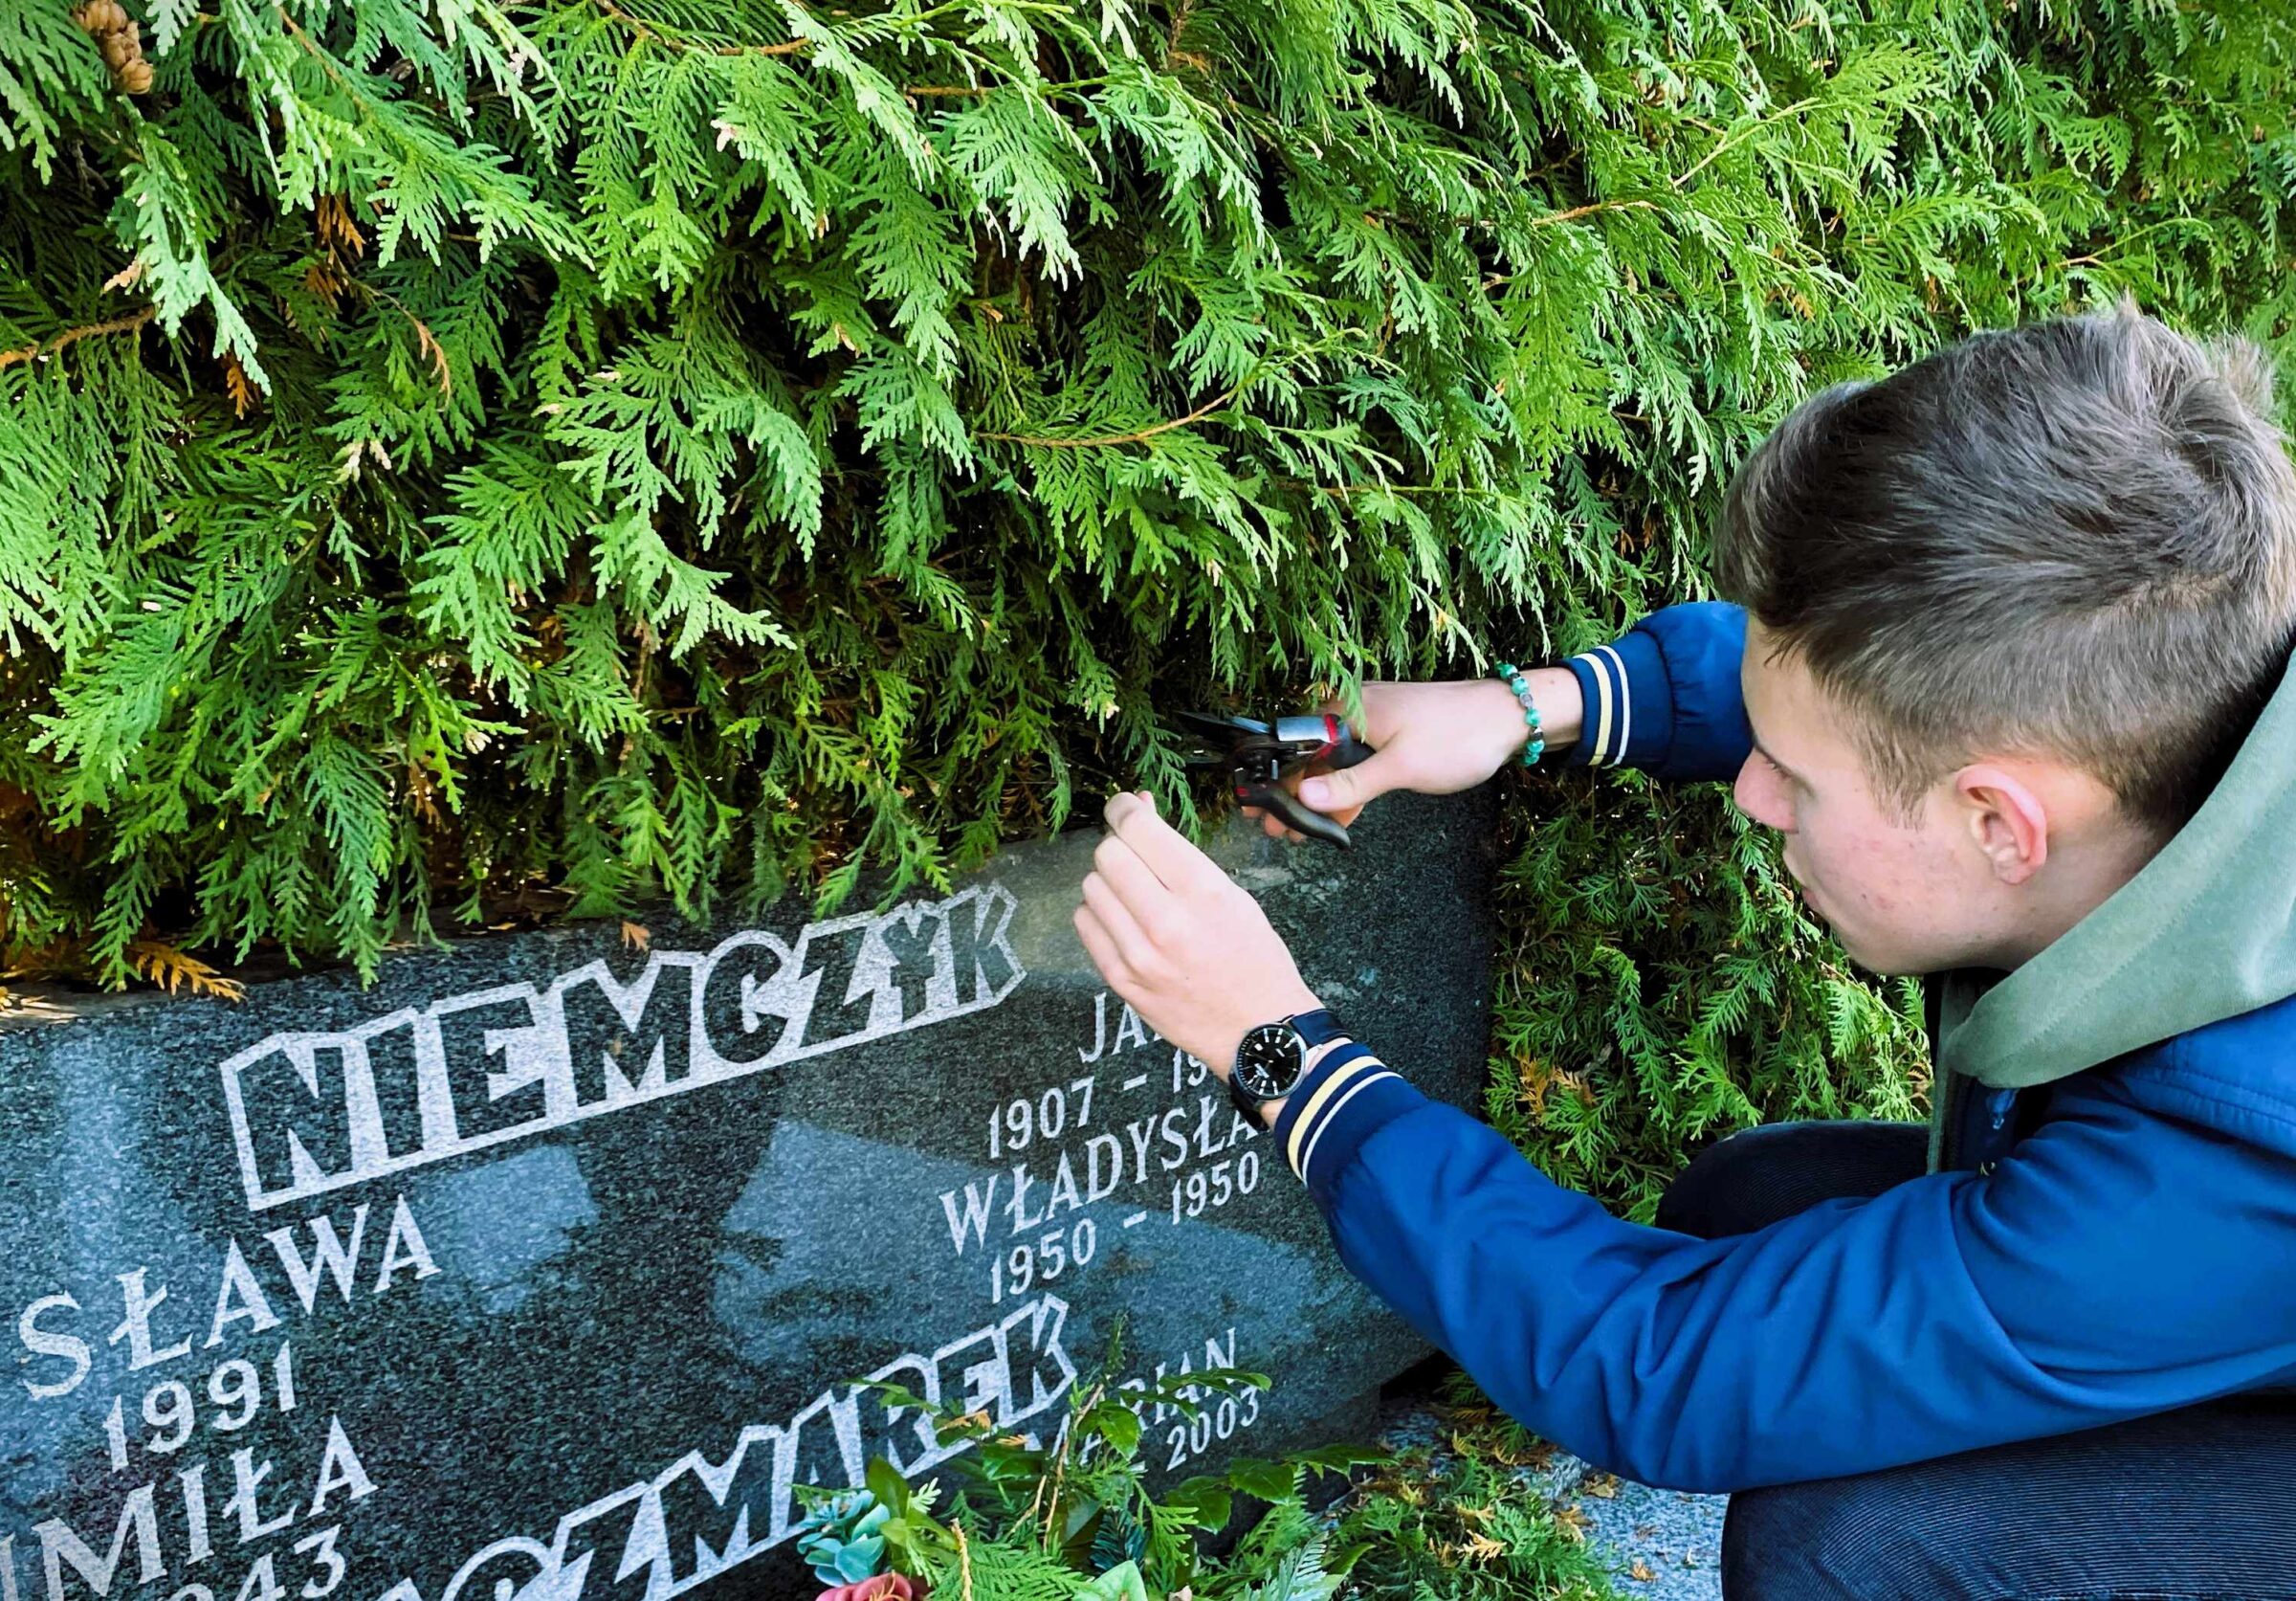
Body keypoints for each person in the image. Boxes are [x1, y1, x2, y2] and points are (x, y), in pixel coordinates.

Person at [1071, 295, 2296, 1598]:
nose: (1754, 795)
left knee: (1851, 1549)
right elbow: (1858, 696)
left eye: (1795, 780)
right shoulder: (2184, 698)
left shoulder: (2214, 1160)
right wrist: (1531, 708)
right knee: (1747, 1204)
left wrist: (1283, 1055)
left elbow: (1660, 1367)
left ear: (2001, 823)